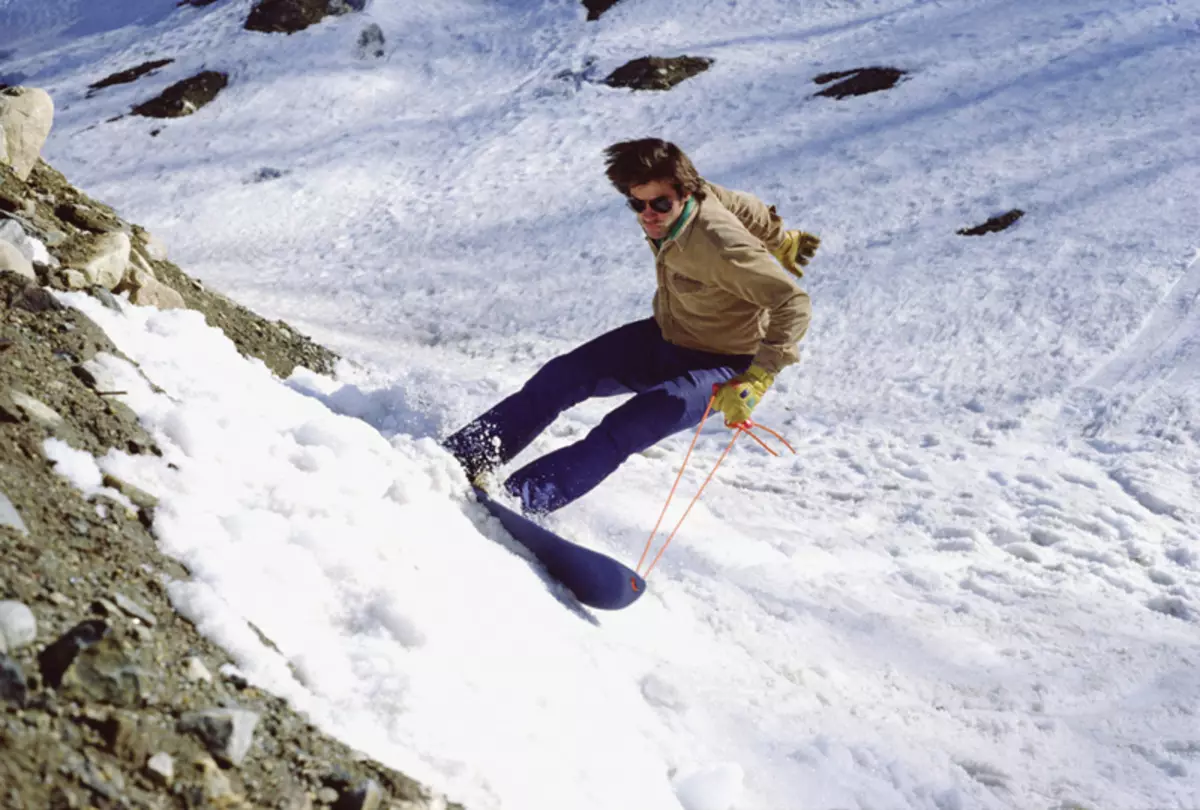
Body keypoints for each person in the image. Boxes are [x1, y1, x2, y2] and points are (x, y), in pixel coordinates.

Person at [442, 137, 818, 515]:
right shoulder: (700, 195)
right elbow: (744, 206)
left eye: (660, 204)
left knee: (624, 428)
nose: (648, 214)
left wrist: (758, 377)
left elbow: (793, 302)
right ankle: (462, 459)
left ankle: (522, 499)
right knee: (560, 378)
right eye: (637, 204)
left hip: (721, 366)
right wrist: (780, 238)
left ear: (684, 193)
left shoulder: (721, 245)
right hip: (666, 338)